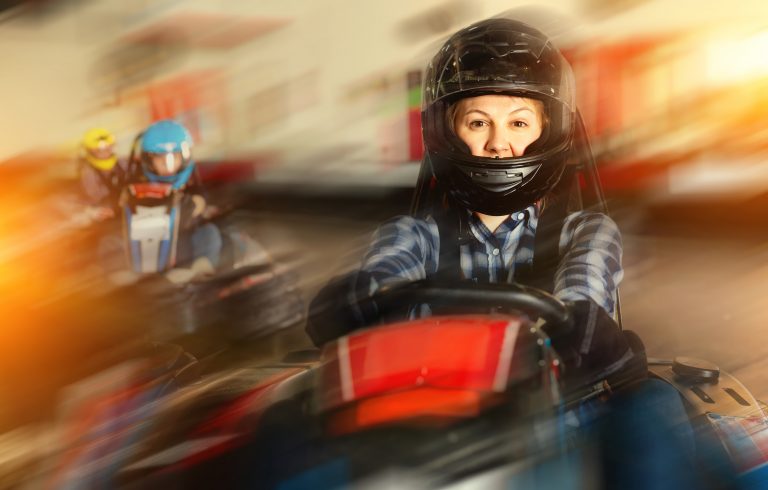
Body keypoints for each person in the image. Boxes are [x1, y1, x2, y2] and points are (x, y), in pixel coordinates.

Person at [307, 15, 704, 489]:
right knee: (291, 417)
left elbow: (584, 289)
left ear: (549, 130)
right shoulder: (414, 234)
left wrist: (583, 325)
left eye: (518, 122)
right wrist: (357, 297)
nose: (498, 144)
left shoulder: (584, 231)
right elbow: (384, 271)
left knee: (653, 409)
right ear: (446, 132)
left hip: (559, 416)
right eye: (478, 122)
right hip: (433, 423)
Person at [125, 119, 222, 282]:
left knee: (209, 232)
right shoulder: (137, 185)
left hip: (181, 252)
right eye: (160, 159)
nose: (167, 165)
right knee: (108, 241)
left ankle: (200, 271)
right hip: (145, 245)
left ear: (184, 158)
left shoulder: (191, 185)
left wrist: (199, 203)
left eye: (173, 159)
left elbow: (203, 198)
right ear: (149, 161)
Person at [78, 127, 127, 219]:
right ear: (90, 151)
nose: (105, 153)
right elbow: (94, 199)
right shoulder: (88, 173)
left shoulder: (122, 162)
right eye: (99, 151)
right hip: (107, 213)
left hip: (124, 207)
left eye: (108, 148)